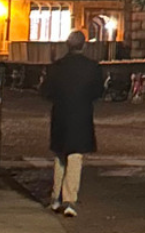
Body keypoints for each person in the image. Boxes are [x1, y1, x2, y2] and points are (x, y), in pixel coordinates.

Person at [39, 30, 104, 216]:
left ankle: (55, 197)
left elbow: (45, 92)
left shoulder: (56, 67)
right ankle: (69, 200)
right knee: (75, 157)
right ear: (84, 46)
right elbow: (98, 92)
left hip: (60, 114)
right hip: (81, 115)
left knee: (60, 156)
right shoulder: (92, 67)